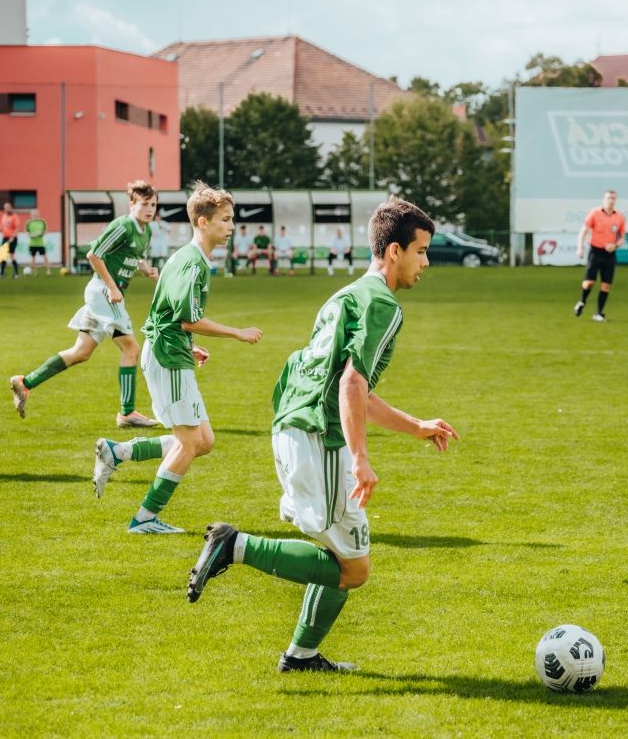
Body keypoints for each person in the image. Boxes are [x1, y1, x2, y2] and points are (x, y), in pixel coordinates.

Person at [184, 197, 459, 673]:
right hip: (318, 435)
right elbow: (351, 384)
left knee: (339, 555)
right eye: (421, 251)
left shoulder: (346, 295)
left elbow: (351, 387)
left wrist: (415, 426)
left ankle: (301, 655)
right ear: (394, 251)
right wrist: (360, 458)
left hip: (293, 423)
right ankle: (234, 545)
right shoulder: (383, 303)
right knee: (355, 569)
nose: (426, 262)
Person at [91, 182, 263, 533]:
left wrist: (188, 343)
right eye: (225, 220)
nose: (231, 227)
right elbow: (187, 318)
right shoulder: (192, 263)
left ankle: (118, 452)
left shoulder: (190, 257)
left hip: (173, 349)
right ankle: (144, 518)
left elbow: (170, 315)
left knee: (205, 441)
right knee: (189, 443)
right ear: (203, 222)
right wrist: (237, 332)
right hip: (167, 357)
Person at [10, 182, 161, 427]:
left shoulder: (146, 231)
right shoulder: (122, 225)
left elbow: (135, 254)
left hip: (107, 294)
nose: (149, 209)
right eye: (144, 204)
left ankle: (25, 383)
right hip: (103, 292)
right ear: (132, 205)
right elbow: (93, 255)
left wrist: (144, 269)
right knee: (131, 350)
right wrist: (112, 287)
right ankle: (126, 413)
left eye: (153, 205)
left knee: (81, 353)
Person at [574, 190, 625, 322]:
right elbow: (583, 231)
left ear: (616, 200)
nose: (611, 200)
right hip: (595, 252)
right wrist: (579, 247)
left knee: (606, 285)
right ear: (603, 199)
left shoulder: (619, 217)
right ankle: (582, 301)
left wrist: (615, 245)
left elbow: (622, 238)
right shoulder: (595, 213)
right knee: (589, 283)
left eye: (613, 198)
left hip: (609, 254)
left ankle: (598, 313)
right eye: (608, 198)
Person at [0, 203, 20, 279]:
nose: (6, 208)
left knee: (12, 255)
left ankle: (16, 273)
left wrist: (12, 237)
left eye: (8, 207)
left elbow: (17, 228)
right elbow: (3, 226)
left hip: (12, 238)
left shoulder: (14, 216)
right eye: (5, 207)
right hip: (5, 238)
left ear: (11, 208)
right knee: (3, 255)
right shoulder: (4, 216)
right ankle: (1, 273)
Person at [26, 209, 50, 276]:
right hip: (32, 243)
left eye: (36, 214)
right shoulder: (29, 223)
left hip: (40, 243)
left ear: (38, 215)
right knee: (33, 258)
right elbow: (26, 231)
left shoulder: (42, 222)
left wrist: (42, 234)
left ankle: (48, 271)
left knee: (45, 257)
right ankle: (35, 271)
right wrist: (30, 235)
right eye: (34, 214)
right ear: (31, 215)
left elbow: (46, 230)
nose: (35, 216)